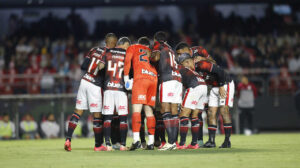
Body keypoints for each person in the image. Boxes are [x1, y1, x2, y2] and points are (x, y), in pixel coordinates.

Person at [64, 33, 117, 152]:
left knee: (78, 111)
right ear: (114, 43)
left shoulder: (94, 49)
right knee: (97, 115)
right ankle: (98, 145)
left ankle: (68, 139)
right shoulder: (111, 54)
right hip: (95, 85)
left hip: (84, 81)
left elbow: (83, 66)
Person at [176, 42, 235, 148]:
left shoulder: (201, 63)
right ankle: (211, 141)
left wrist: (221, 86)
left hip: (225, 83)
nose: (185, 67)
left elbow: (220, 71)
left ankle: (227, 140)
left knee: (223, 111)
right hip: (213, 86)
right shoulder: (193, 69)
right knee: (211, 113)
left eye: (185, 64)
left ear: (188, 60)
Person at [123, 37, 158, 150]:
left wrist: (126, 79)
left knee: (137, 110)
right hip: (153, 78)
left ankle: (136, 140)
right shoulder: (151, 52)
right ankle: (151, 142)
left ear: (139, 43)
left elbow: (127, 61)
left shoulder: (133, 47)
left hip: (141, 77)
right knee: (149, 111)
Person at [150, 31, 182, 150]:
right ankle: (173, 142)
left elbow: (156, 57)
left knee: (164, 109)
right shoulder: (170, 48)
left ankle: (170, 142)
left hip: (167, 78)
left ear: (155, 39)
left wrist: (150, 58)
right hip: (177, 78)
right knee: (174, 111)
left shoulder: (158, 45)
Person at [98, 37, 131, 151]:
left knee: (107, 118)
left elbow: (100, 67)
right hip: (121, 89)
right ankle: (122, 145)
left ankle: (107, 145)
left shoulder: (108, 52)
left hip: (108, 88)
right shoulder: (127, 54)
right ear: (125, 44)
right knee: (123, 119)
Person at [175, 42, 210, 147]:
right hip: (203, 86)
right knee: (195, 116)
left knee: (184, 115)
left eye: (188, 62)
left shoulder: (181, 68)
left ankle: (182, 143)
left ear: (185, 62)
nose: (191, 63)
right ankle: (194, 143)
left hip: (194, 87)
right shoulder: (195, 72)